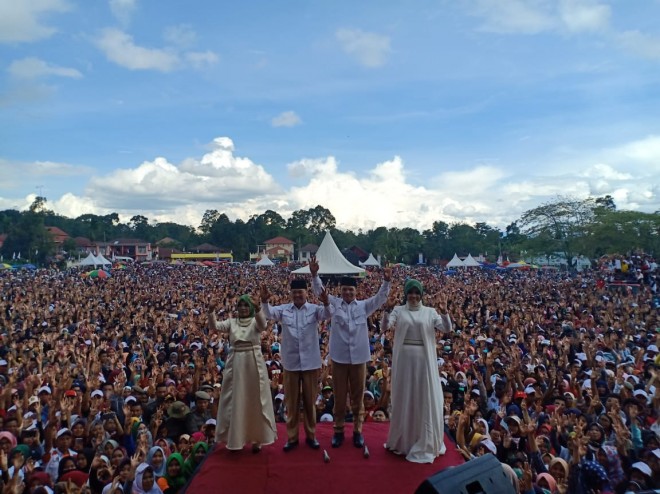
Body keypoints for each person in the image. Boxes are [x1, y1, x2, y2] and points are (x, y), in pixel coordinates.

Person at [309, 255, 391, 448]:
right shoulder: (334, 303)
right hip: (339, 358)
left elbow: (380, 298)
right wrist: (314, 275)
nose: (347, 292)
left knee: (357, 397)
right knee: (339, 397)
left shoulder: (364, 306)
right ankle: (338, 431)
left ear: (356, 291)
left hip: (359, 359)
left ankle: (357, 431)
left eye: (351, 290)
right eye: (344, 289)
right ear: (341, 290)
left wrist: (386, 281)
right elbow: (319, 291)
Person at [382, 278, 451, 463]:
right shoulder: (398, 310)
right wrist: (387, 310)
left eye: (416, 293)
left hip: (424, 363)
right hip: (404, 362)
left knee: (423, 398)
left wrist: (445, 312)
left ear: (421, 295)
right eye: (410, 293)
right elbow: (385, 327)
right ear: (406, 294)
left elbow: (446, 329)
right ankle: (403, 441)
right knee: (405, 397)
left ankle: (423, 440)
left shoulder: (430, 312)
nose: (413, 296)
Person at [260, 279, 331, 452]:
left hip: (310, 363)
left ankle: (311, 436)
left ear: (307, 293)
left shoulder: (314, 309)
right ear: (290, 294)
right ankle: (292, 438)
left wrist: (326, 302)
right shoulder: (284, 310)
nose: (298, 295)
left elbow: (328, 314)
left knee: (309, 402)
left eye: (301, 292)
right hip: (291, 364)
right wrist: (264, 301)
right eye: (295, 292)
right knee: (292, 403)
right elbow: (269, 313)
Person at [208, 294, 277, 452]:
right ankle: (236, 438)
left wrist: (258, 308)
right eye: (241, 305)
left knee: (256, 398)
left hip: (253, 361)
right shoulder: (232, 322)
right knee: (236, 398)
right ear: (237, 307)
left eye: (246, 305)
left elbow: (263, 325)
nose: (243, 308)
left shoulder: (255, 321)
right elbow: (214, 326)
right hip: (236, 362)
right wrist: (211, 310)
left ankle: (258, 438)